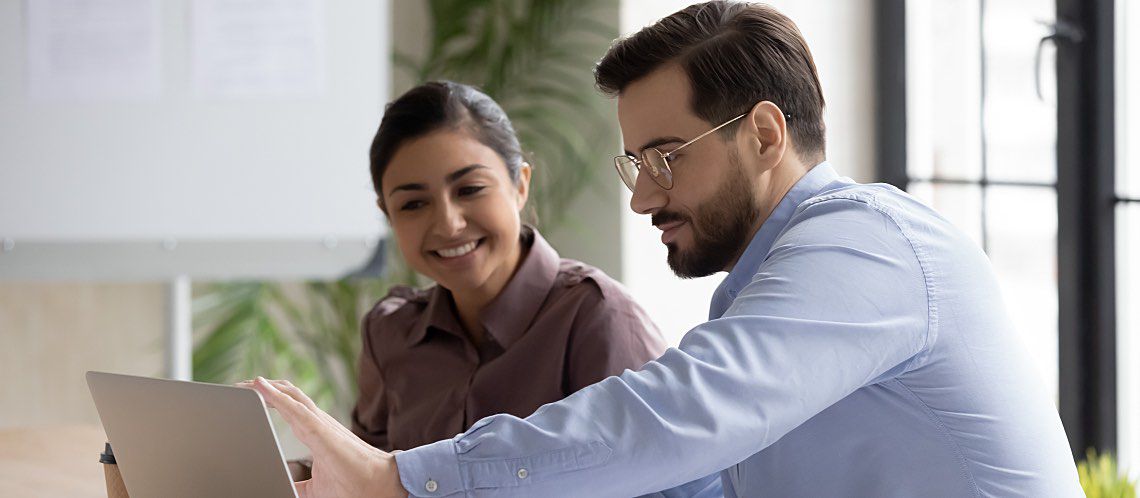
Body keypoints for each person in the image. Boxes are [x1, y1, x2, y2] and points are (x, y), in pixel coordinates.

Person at [248, 2, 1084, 496]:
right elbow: (695, 477)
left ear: (763, 132)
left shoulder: (866, 248)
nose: (643, 195)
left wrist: (404, 479)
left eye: (665, 158)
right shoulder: (771, 285)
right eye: (635, 163)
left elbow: (676, 416)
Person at [284, 81, 690, 491]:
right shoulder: (390, 333)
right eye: (413, 204)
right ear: (387, 214)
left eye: (470, 189)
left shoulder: (599, 317)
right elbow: (363, 472)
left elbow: (659, 481)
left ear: (520, 185)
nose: (448, 223)